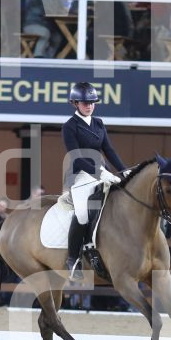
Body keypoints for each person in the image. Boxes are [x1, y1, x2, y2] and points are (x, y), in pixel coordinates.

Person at [61, 81, 127, 282]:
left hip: (102, 171)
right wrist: (99, 173)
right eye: (84, 103)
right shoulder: (69, 126)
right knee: (82, 213)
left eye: (92, 103)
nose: (89, 106)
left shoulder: (98, 123)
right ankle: (73, 259)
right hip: (80, 175)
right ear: (75, 103)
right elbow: (76, 157)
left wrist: (124, 170)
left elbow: (109, 150)